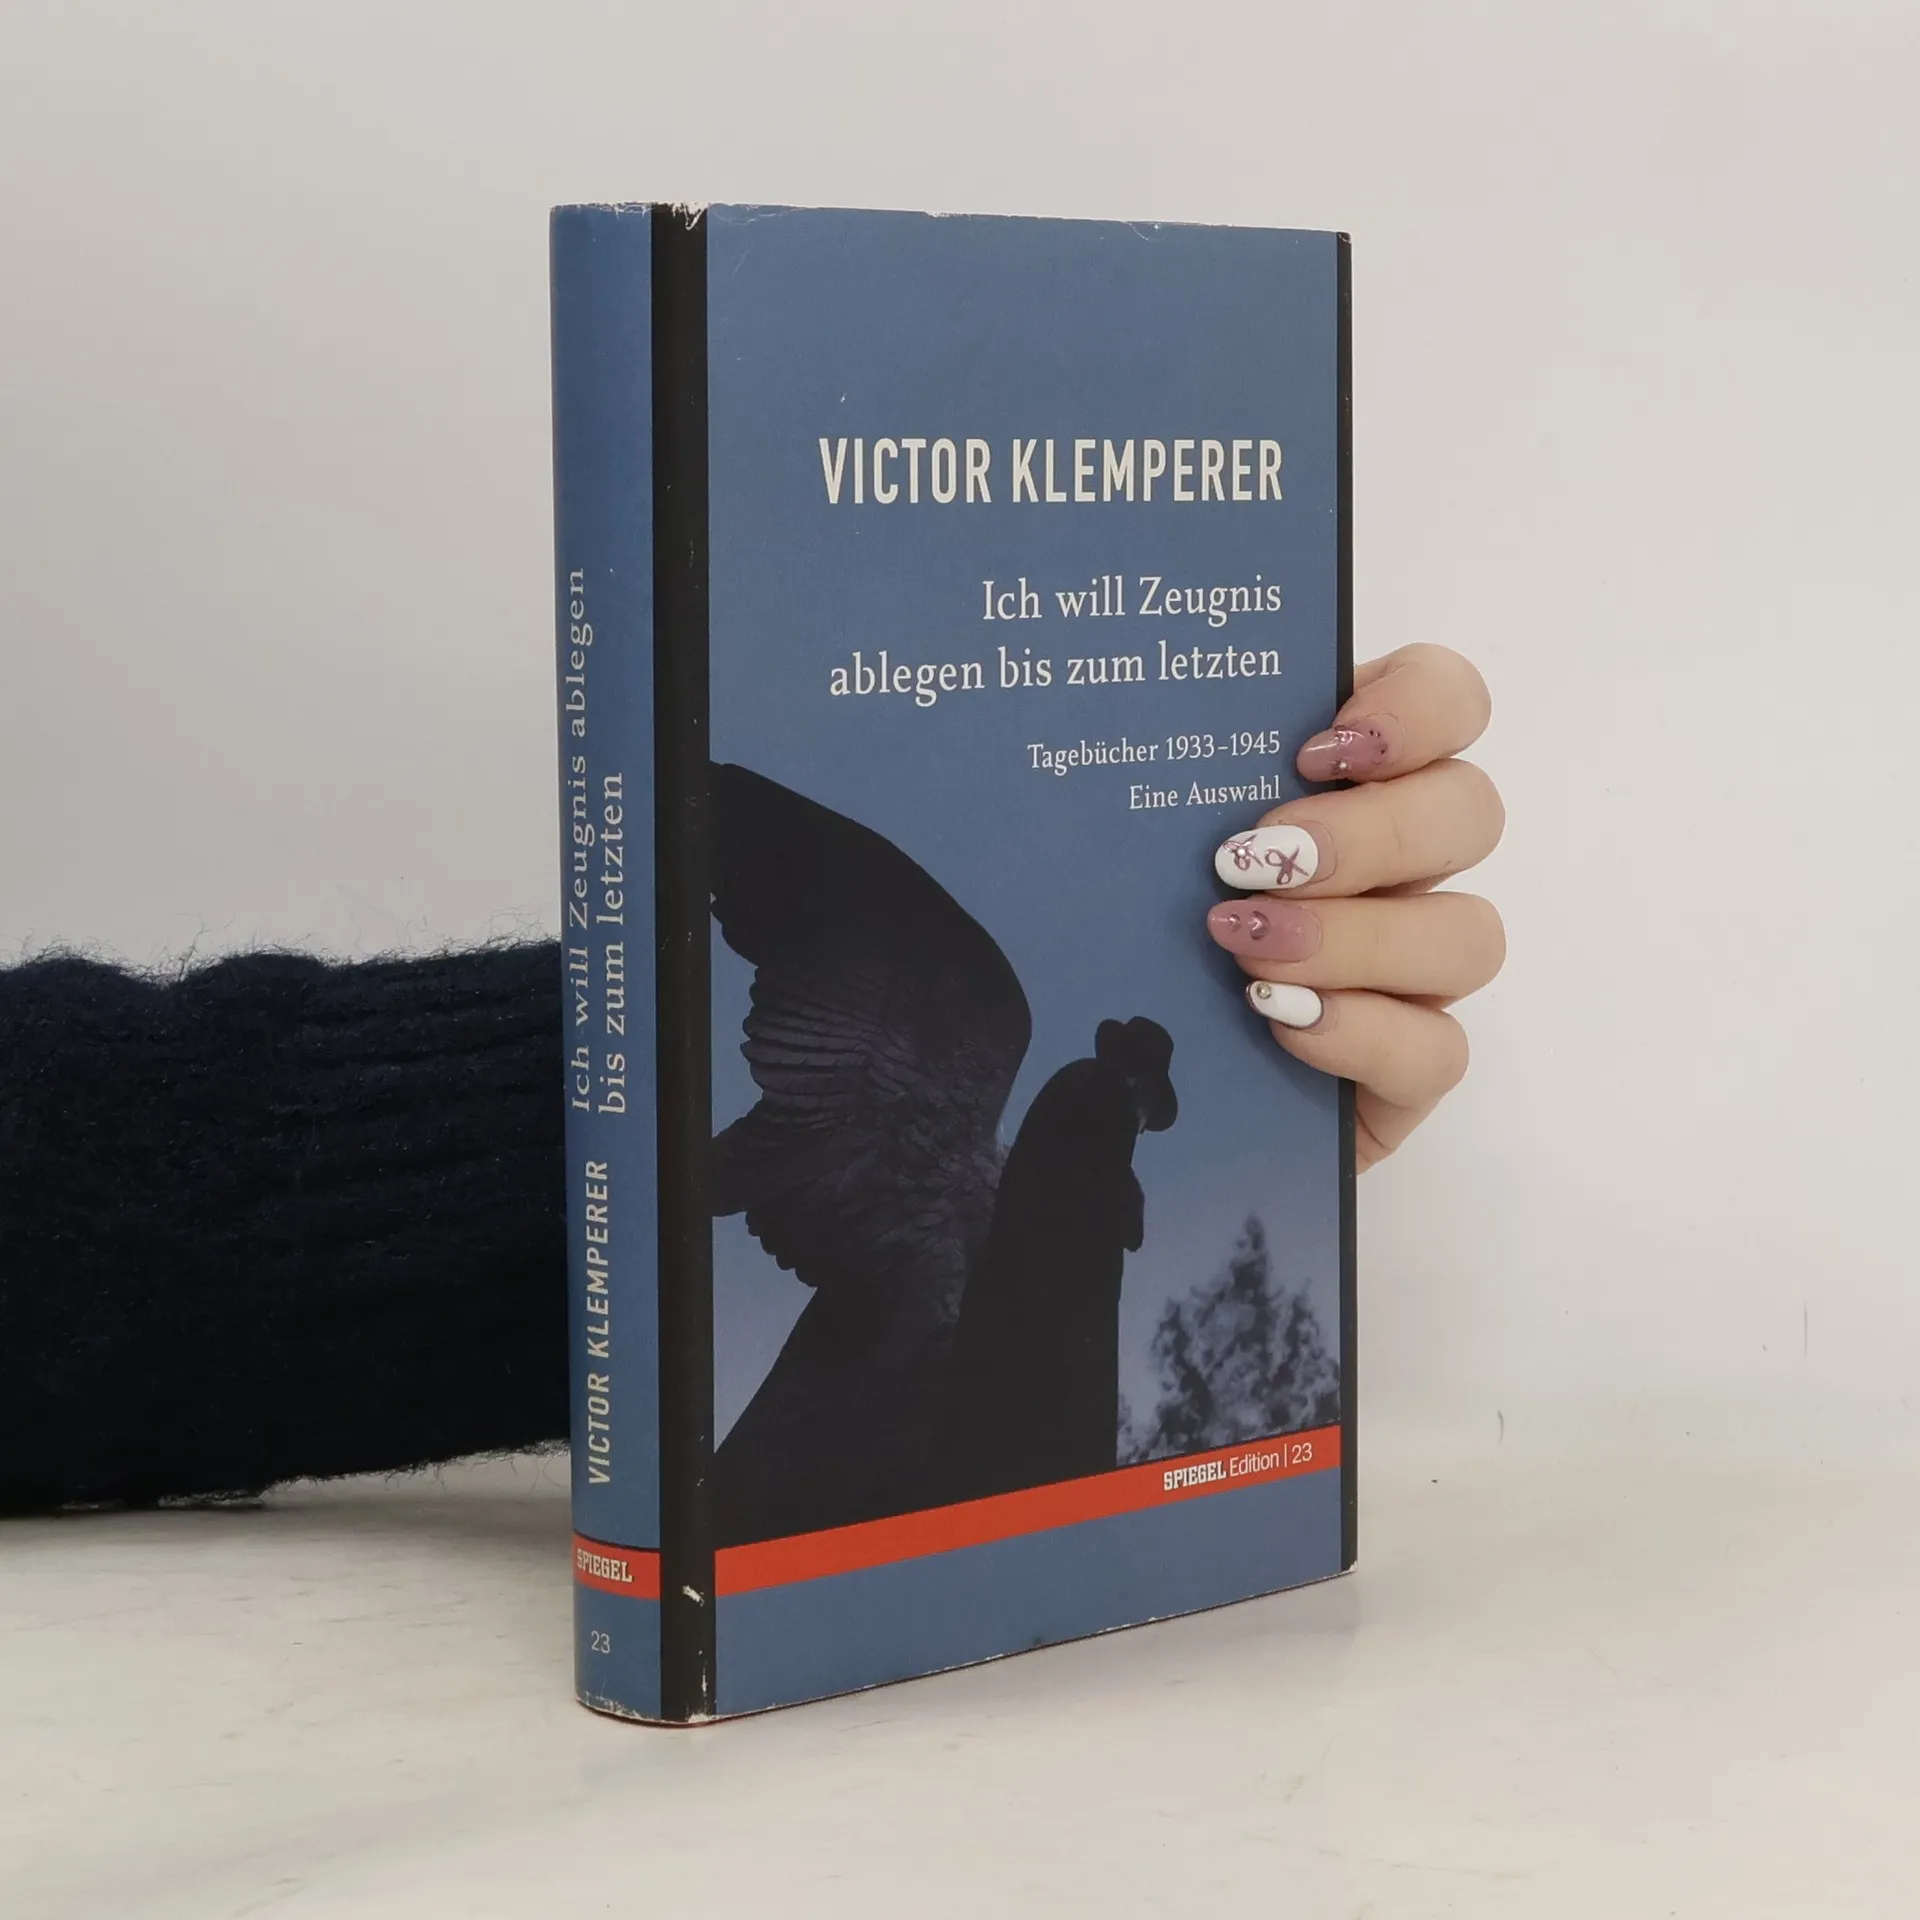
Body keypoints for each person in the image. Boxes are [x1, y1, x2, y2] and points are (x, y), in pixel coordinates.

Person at [0, 643, 1502, 1512]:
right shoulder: (972, 1098)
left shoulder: (1020, 1195)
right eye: (1117, 1121)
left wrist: (1266, 1107)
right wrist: (615, 1095)